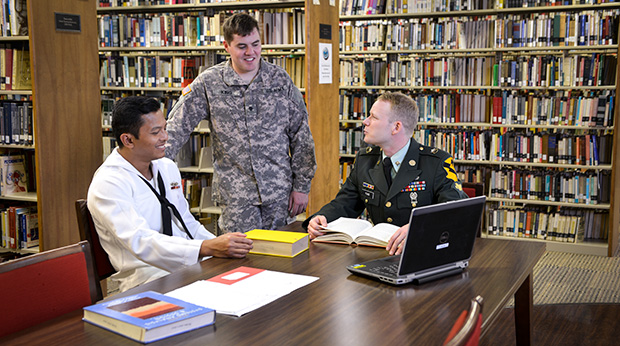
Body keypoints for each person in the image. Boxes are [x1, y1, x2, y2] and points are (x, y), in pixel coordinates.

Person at [165, 13, 316, 234]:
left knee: (280, 259)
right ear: (227, 46)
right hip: (237, 197)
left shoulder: (279, 80)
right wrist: (151, 168)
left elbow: (301, 135)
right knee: (240, 260)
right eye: (242, 46)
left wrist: (302, 186)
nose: (251, 52)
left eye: (255, 44)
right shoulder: (210, 83)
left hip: (278, 193)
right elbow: (176, 128)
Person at [88, 96, 253, 293]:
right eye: (156, 132)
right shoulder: (109, 182)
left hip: (186, 266)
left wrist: (221, 246)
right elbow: (140, 241)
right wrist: (205, 248)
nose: (165, 137)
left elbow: (185, 221)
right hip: (146, 277)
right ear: (128, 140)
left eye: (164, 128)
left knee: (248, 283)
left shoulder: (166, 167)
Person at [304, 92, 469, 255]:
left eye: (373, 117)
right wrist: (320, 219)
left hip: (422, 252)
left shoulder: (436, 162)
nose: (365, 121)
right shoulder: (365, 159)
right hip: (378, 253)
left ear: (396, 127)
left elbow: (457, 210)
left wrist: (419, 227)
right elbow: (344, 203)